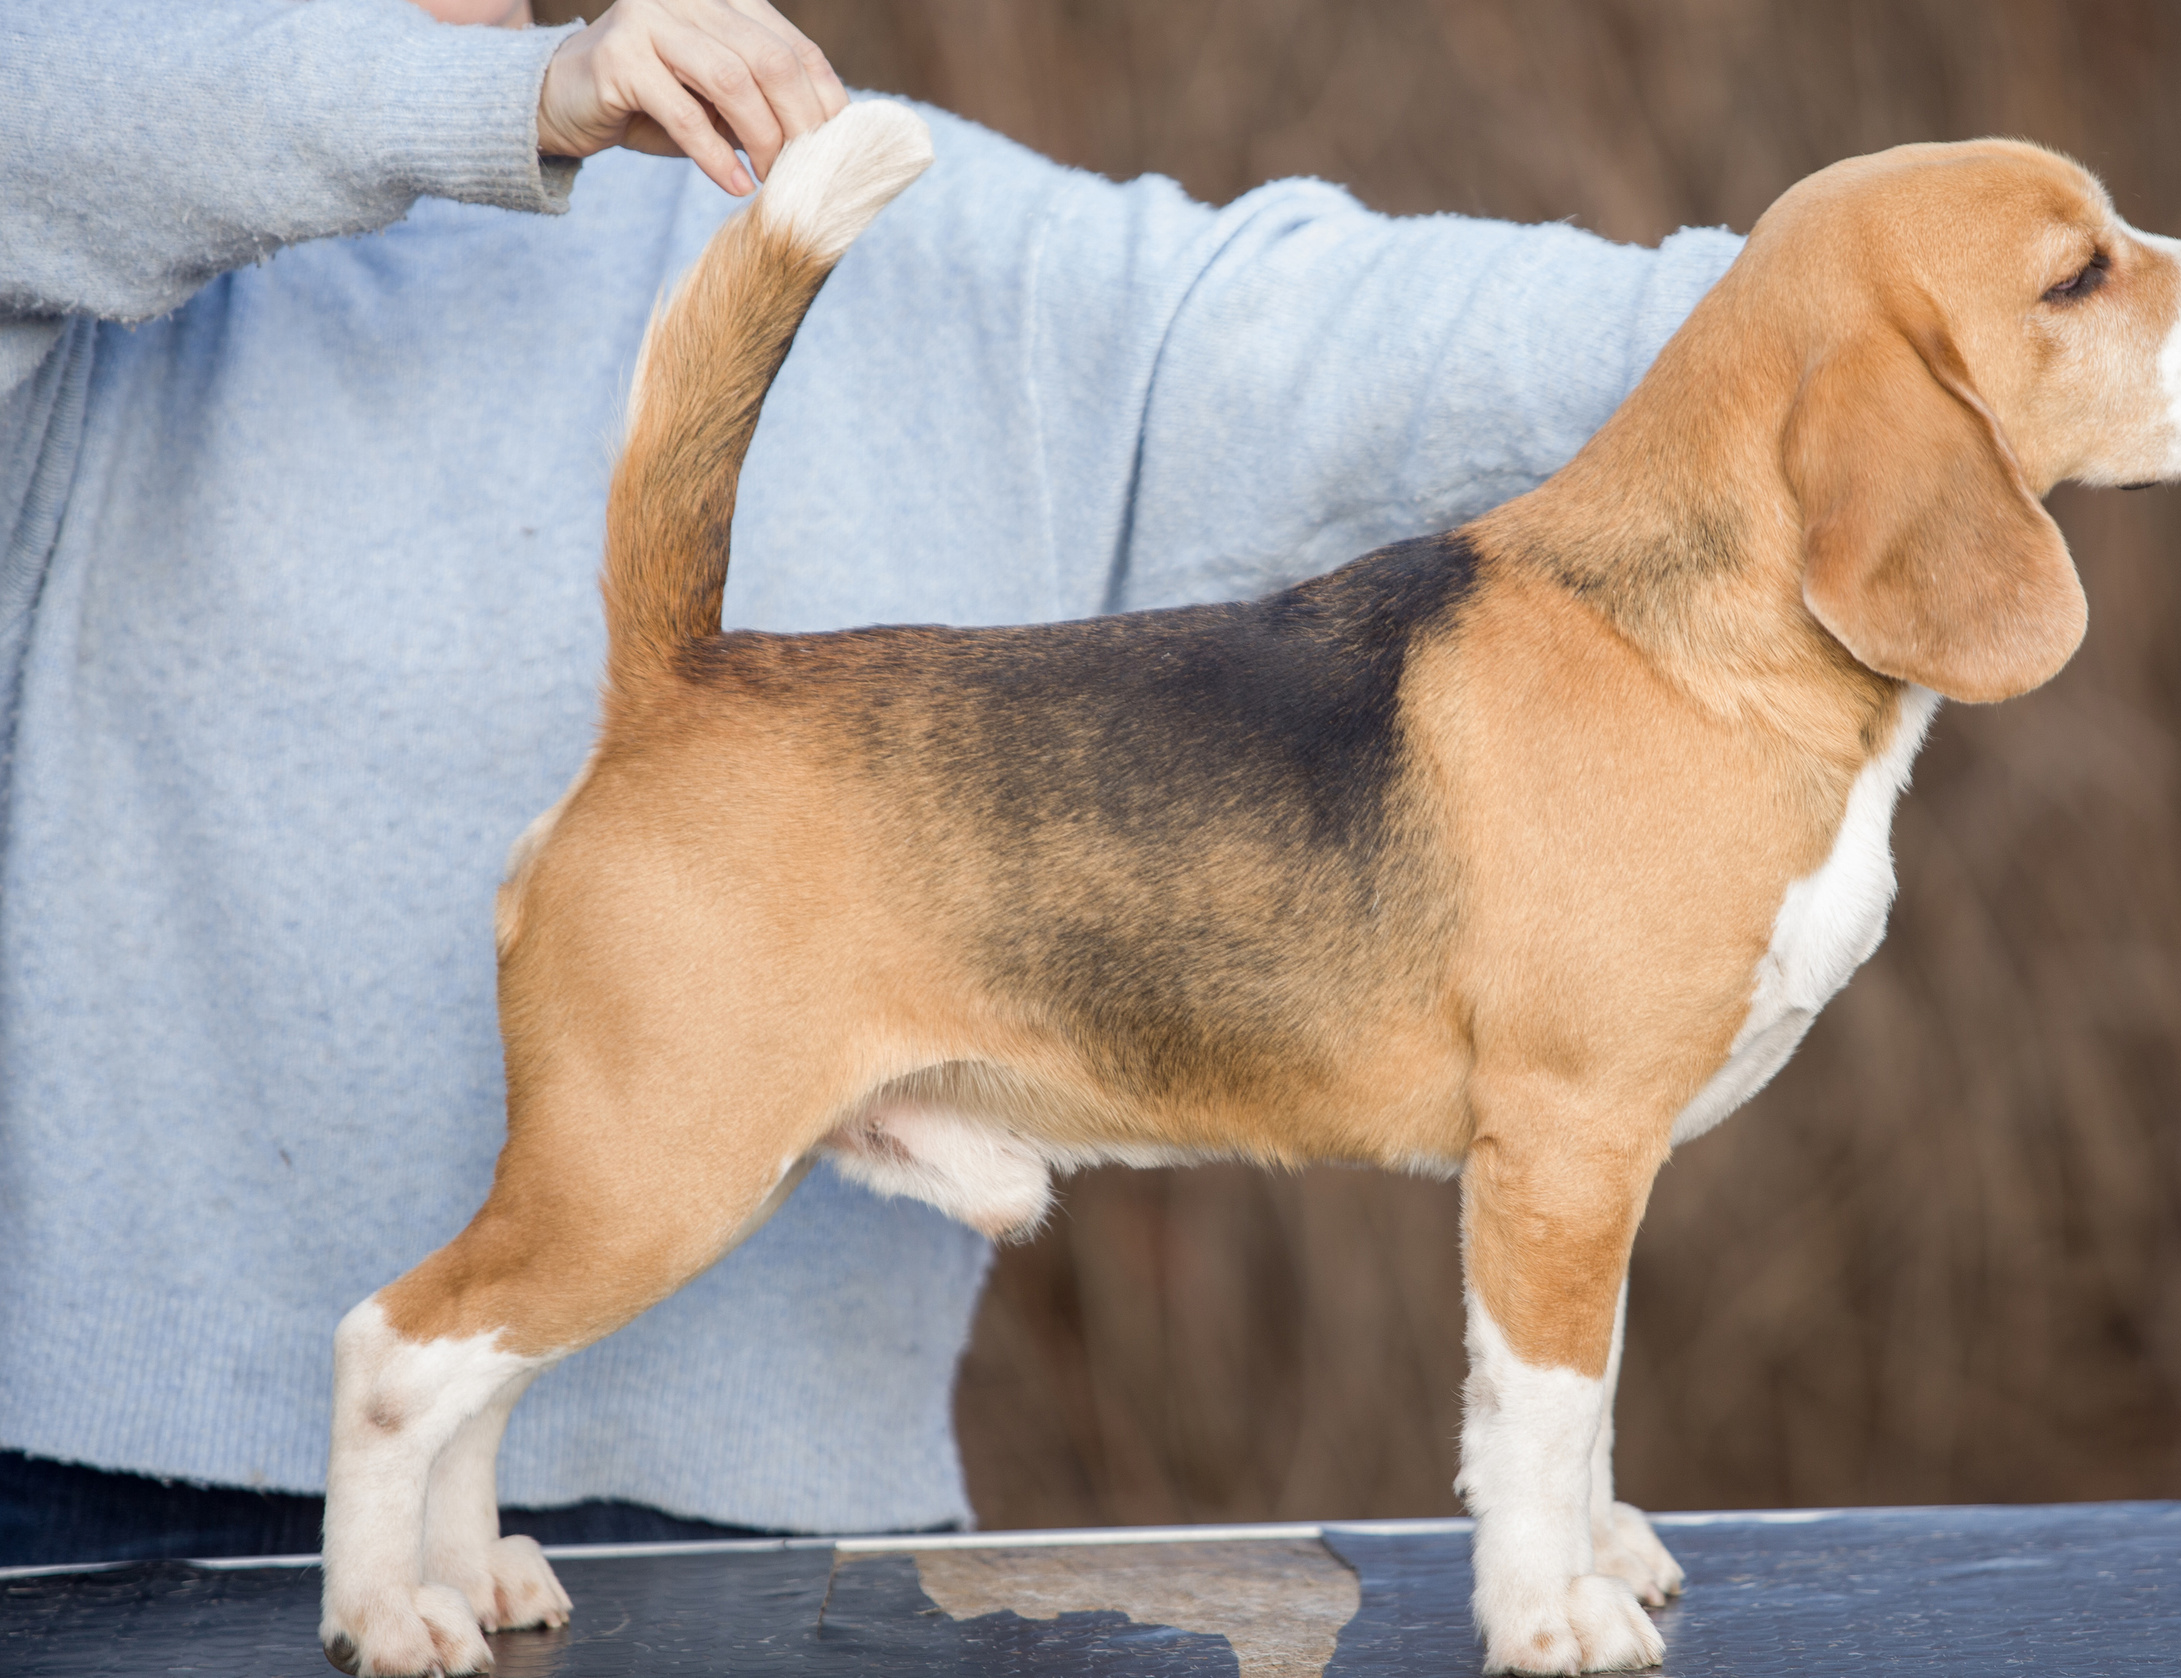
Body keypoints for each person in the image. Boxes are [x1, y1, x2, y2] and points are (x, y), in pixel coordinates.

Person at [0, 0, 1743, 1563]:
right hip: (75, 1470)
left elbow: (1335, 323)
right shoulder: (108, 223)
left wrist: (1866, 290)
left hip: (790, 1513)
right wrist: (508, 96)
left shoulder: (925, 213)